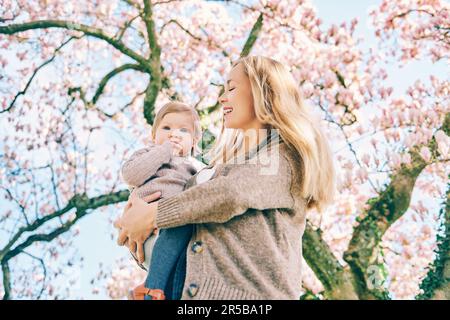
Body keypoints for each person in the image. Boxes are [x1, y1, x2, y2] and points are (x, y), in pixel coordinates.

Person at [115, 56, 336, 299]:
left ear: (263, 90)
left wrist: (154, 214)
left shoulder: (283, 154)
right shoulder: (222, 168)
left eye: (231, 88)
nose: (222, 98)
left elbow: (232, 193)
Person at [120, 101, 204, 299]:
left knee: (182, 269)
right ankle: (153, 287)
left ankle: (161, 292)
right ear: (153, 136)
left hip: (176, 224)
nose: (174, 134)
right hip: (146, 231)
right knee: (178, 228)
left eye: (183, 130)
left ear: (194, 142)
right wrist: (163, 151)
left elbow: (206, 196)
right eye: (166, 128)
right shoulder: (148, 154)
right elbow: (131, 175)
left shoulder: (196, 165)